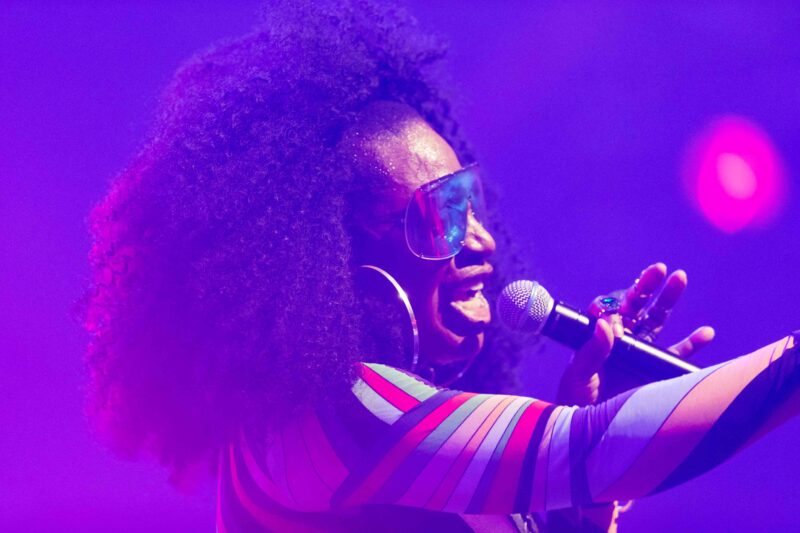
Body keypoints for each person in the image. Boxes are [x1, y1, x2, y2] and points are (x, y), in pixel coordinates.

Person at [84, 2, 798, 531]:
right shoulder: (332, 414)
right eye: (444, 210)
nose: (481, 240)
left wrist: (581, 509)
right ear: (330, 254)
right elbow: (596, 450)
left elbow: (591, 458)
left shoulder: (391, 445)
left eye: (474, 203)